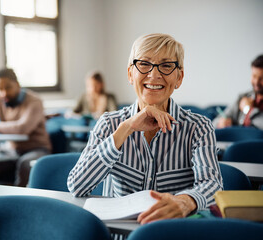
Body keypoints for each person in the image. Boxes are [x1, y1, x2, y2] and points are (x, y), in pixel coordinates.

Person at [68, 34, 223, 228]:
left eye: (166, 66)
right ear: (130, 75)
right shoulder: (109, 124)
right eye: (144, 64)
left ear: (179, 77)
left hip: (171, 233)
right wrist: (126, 128)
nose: (154, 75)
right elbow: (77, 185)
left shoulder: (198, 127)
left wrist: (184, 202)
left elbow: (212, 184)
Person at [0, 68, 52, 187]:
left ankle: (18, 202)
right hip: (10, 149)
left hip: (37, 149)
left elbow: (22, 129)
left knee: (25, 164)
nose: (4, 93)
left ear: (17, 85)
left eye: (8, 88)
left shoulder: (35, 101)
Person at [213, 54, 263, 130]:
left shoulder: (244, 104)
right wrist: (221, 122)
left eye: (261, 78)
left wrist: (248, 110)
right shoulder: (243, 97)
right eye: (254, 76)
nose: (256, 82)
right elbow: (214, 122)